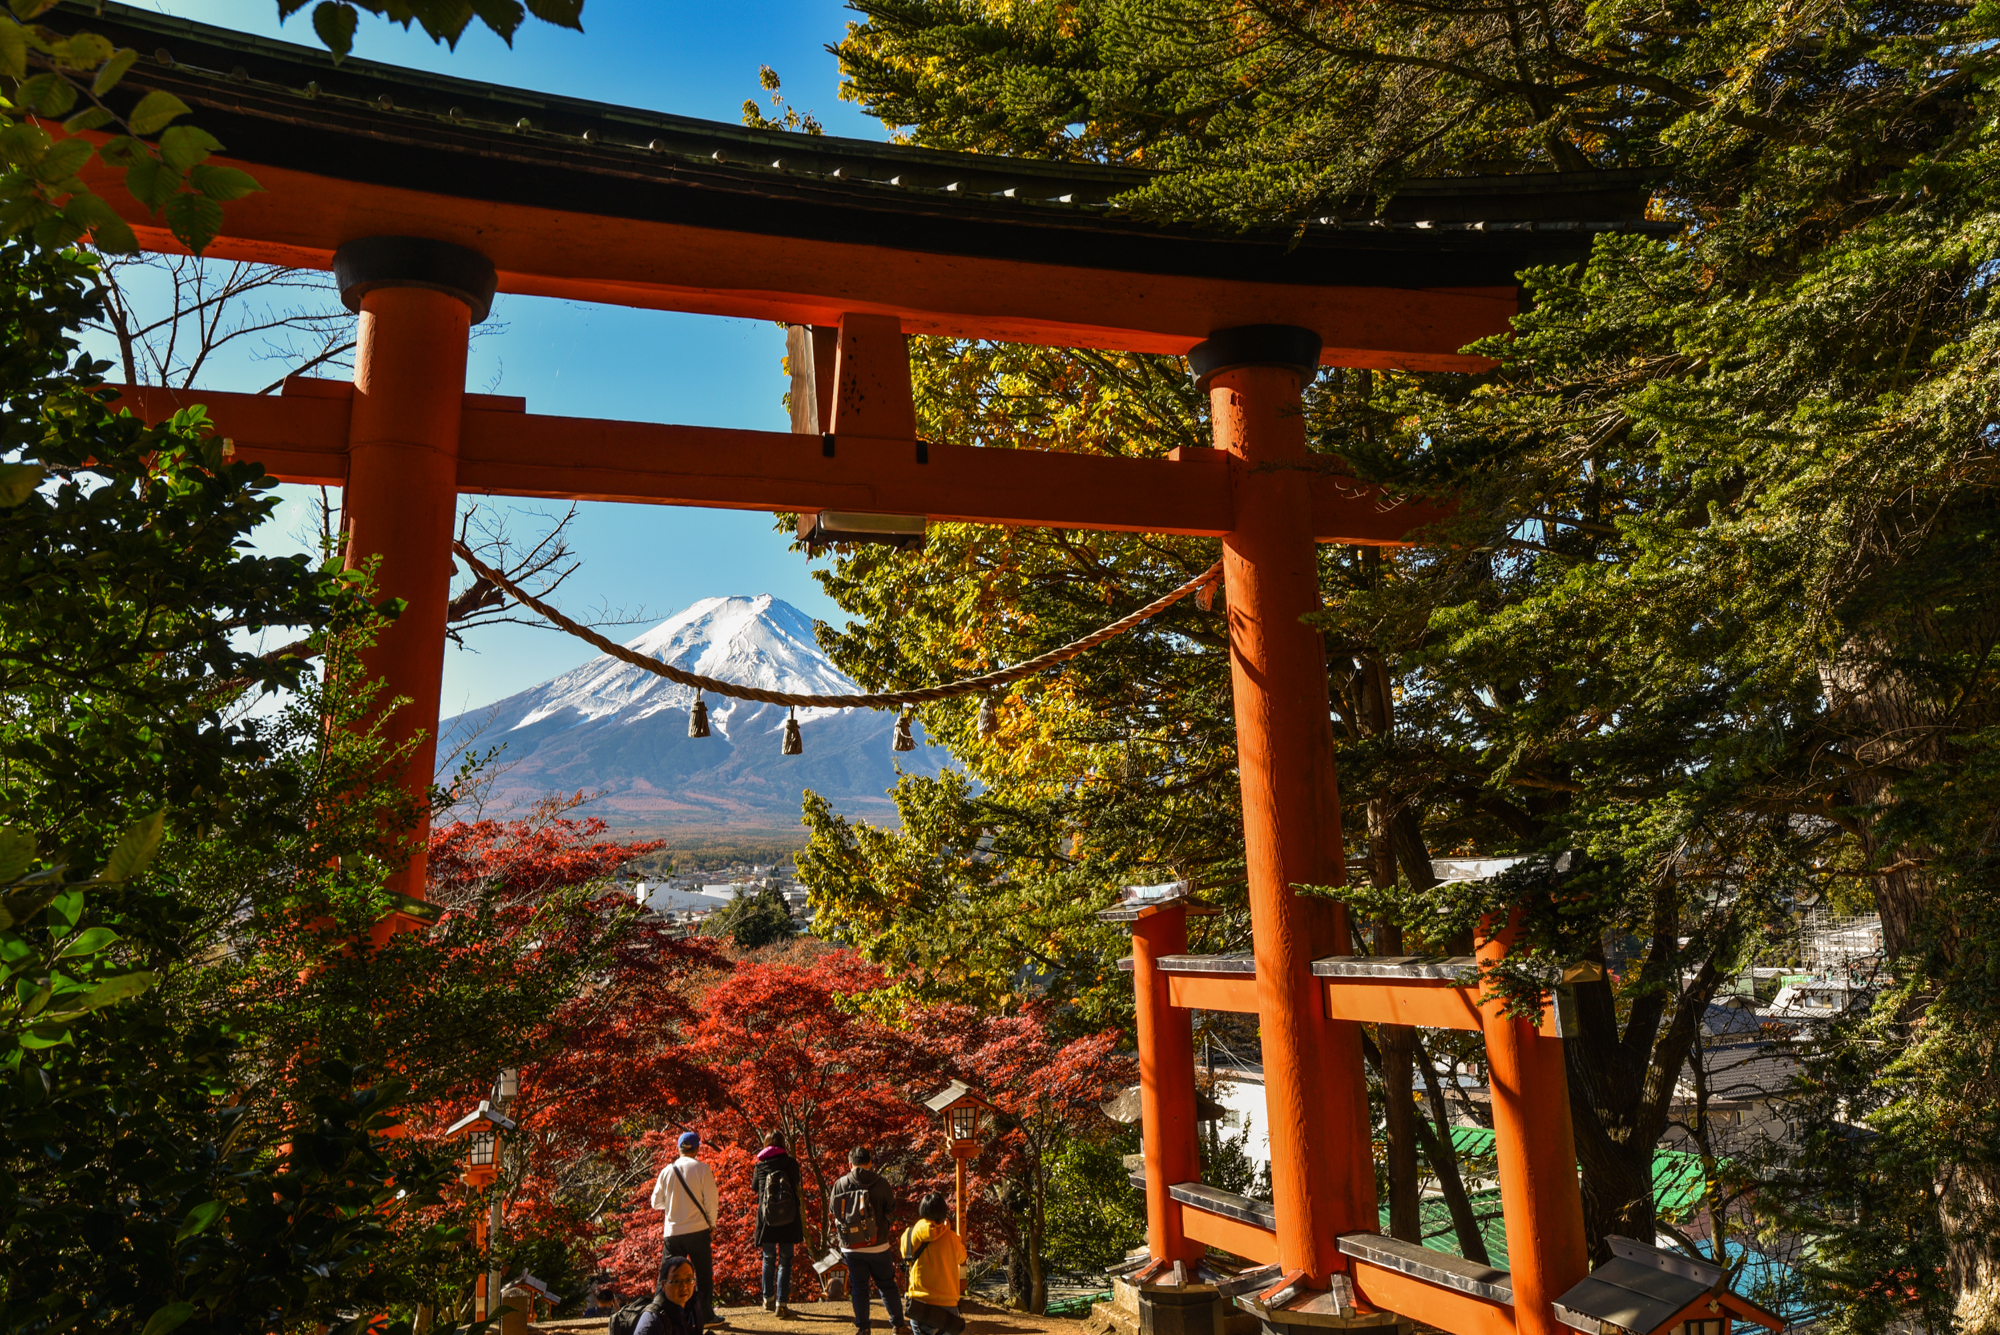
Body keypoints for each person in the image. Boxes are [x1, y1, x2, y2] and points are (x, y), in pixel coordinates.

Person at [831, 1146, 907, 1335]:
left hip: (851, 1246)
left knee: (859, 1288)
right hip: (878, 1243)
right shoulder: (881, 1183)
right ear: (870, 1163)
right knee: (887, 1284)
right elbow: (891, 1207)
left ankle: (864, 1328)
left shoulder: (840, 1184)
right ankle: (898, 1325)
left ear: (850, 1164)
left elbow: (834, 1210)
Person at [652, 1131, 722, 1331]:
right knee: (703, 1274)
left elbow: (655, 1202)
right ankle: (706, 1314)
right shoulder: (702, 1169)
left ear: (678, 1148)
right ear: (698, 1148)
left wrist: (673, 1202)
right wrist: (712, 1223)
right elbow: (711, 1200)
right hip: (698, 1229)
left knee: (667, 1275)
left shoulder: (666, 1171)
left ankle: (659, 1315)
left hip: (672, 1232)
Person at [752, 1130, 805, 1318]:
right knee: (786, 1261)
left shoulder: (760, 1166)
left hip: (767, 1219)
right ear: (783, 1144)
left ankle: (768, 1299)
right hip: (788, 1218)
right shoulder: (791, 1163)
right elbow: (797, 1184)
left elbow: (754, 1188)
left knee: (768, 1258)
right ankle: (782, 1304)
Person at [901, 1193, 967, 1335]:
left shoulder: (909, 1234)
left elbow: (904, 1255)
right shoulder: (951, 1238)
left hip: (920, 1303)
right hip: (948, 1304)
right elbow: (962, 1258)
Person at [635, 1257, 700, 1335]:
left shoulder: (693, 1306)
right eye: (676, 1281)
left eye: (688, 1280)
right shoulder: (654, 1318)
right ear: (663, 1285)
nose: (684, 1286)